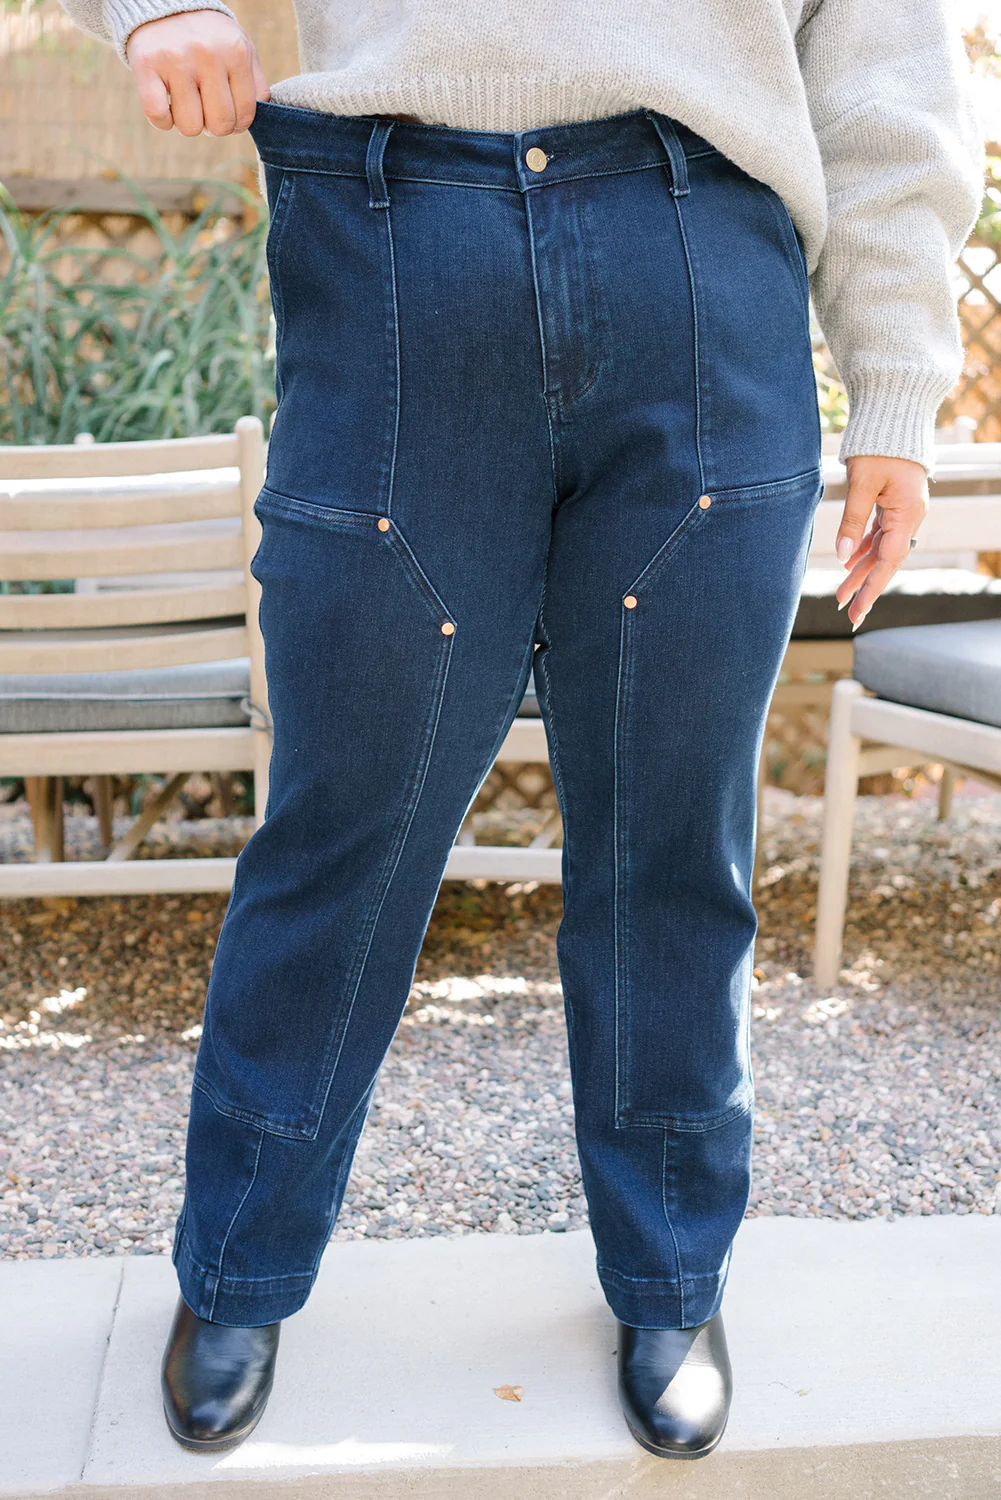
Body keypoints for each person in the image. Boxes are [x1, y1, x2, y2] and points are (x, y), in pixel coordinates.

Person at [57, 0, 984, 1462]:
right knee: (342, 832)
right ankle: (237, 1268)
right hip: (394, 253)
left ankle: (671, 1281)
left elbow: (883, 65)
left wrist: (896, 389)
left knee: (673, 844)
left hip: (705, 272)